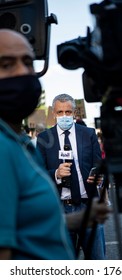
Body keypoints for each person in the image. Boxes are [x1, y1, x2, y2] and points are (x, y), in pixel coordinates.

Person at [0, 29, 111, 260]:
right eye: (6, 64)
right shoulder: (32, 141)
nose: (22, 72)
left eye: (28, 62)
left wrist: (80, 218)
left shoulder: (20, 144)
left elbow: (28, 224)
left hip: (83, 206)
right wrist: (57, 174)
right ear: (54, 113)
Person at [37, 93, 107, 259]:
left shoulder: (88, 134)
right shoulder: (44, 138)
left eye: (68, 112)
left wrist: (99, 175)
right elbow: (38, 174)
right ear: (53, 114)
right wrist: (56, 173)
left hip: (88, 205)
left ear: (74, 113)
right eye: (60, 112)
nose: (64, 116)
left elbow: (98, 164)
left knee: (97, 259)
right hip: (59, 209)